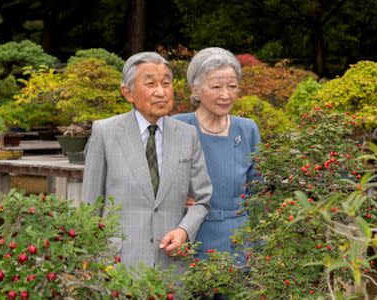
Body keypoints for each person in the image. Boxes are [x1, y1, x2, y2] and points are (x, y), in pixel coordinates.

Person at [82, 52, 212, 270]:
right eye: (150, 84)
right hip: (118, 265)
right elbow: (90, 205)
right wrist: (87, 260)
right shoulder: (105, 132)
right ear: (128, 93)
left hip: (172, 265)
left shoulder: (187, 135)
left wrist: (183, 231)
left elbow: (203, 199)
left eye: (166, 83)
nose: (161, 92)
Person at [173, 47, 261, 262]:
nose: (225, 95)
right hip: (193, 236)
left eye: (232, 86)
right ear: (196, 89)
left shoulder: (247, 129)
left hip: (240, 240)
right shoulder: (178, 127)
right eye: (216, 86)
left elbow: (259, 188)